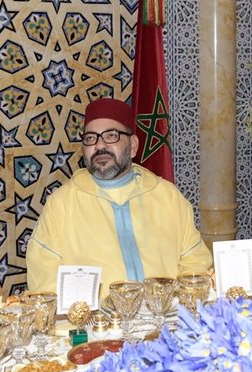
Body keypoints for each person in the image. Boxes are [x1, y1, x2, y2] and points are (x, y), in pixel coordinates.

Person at [26, 98, 212, 298]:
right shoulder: (62, 203)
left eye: (111, 136)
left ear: (132, 146)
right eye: (90, 138)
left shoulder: (167, 196)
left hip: (167, 321)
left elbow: (196, 265)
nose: (99, 146)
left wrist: (175, 306)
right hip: (96, 325)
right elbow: (43, 280)